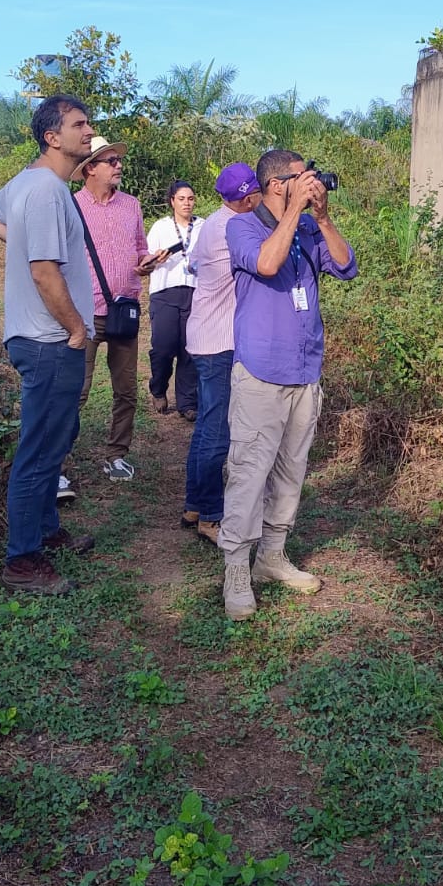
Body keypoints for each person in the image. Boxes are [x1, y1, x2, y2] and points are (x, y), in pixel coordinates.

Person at [219, 148, 357, 621]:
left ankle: (272, 556)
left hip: (305, 369)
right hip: (261, 371)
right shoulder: (242, 226)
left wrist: (323, 217)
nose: (312, 182)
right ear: (277, 184)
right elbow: (266, 264)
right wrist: (295, 210)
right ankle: (236, 567)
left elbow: (346, 266)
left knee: (292, 469)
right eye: (303, 178)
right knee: (249, 471)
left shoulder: (309, 227)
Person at [0, 94, 97, 595]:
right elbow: (45, 273)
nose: (89, 132)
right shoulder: (47, 189)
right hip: (50, 340)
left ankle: (46, 531)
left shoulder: (27, 182)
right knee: (41, 451)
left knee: (54, 443)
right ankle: (22, 561)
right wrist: (76, 329)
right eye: (79, 124)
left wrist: (22, 240)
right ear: (52, 137)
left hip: (37, 337)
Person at [180, 161, 261, 546]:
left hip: (204, 335)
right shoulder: (233, 227)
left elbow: (194, 265)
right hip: (219, 341)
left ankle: (195, 505)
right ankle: (211, 515)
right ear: (247, 199)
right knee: (217, 431)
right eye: (258, 192)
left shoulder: (213, 221)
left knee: (206, 425)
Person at [71, 135, 153, 481]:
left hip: (125, 310)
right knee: (76, 391)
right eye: (111, 161)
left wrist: (147, 262)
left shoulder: (131, 205)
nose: (119, 166)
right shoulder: (71, 206)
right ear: (90, 168)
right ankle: (58, 464)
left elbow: (140, 247)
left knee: (126, 391)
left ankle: (117, 456)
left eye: (119, 161)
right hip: (85, 314)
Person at [146, 180, 202, 422]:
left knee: (190, 349)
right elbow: (144, 261)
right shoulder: (160, 227)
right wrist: (155, 258)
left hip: (195, 292)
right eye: (181, 199)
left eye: (190, 198)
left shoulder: (203, 226)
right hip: (165, 291)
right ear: (172, 201)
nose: (186, 203)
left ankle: (187, 402)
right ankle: (158, 388)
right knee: (163, 347)